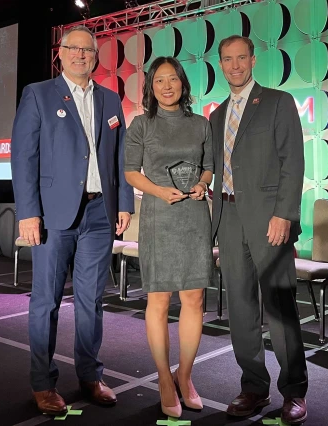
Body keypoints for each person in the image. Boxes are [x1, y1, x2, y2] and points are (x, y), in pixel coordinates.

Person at [11, 25, 134, 416]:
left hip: (100, 214)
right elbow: (23, 158)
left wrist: (124, 203)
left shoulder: (111, 100)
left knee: (90, 301)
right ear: (60, 54)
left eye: (88, 50)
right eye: (73, 49)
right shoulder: (38, 94)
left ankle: (89, 375)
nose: (81, 55)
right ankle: (43, 382)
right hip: (52, 215)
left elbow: (120, 159)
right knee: (45, 302)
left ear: (96, 57)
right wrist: (28, 212)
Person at [209, 35, 308, 425]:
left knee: (280, 308)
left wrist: (284, 213)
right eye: (227, 59)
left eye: (240, 58)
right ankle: (253, 386)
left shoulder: (278, 102)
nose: (234, 65)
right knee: (242, 310)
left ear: (253, 60)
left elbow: (293, 161)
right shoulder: (216, 116)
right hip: (229, 219)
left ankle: (294, 391)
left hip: (271, 221)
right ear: (220, 63)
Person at [124, 57, 213, 418]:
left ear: (182, 83)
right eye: (159, 80)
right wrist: (159, 192)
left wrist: (202, 184)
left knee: (194, 299)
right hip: (160, 217)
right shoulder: (140, 125)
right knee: (158, 302)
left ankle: (185, 375)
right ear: (151, 87)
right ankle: (163, 378)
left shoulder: (202, 125)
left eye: (172, 79)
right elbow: (131, 172)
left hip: (193, 216)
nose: (166, 86)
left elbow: (209, 167)